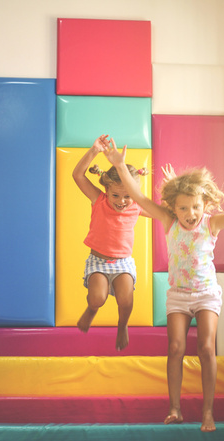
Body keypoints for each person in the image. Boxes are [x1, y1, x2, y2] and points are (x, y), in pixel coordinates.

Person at [106, 138, 224, 432]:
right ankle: (175, 409)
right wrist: (120, 166)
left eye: (195, 207)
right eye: (183, 208)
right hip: (178, 296)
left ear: (204, 205)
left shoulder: (211, 224)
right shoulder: (169, 222)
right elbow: (140, 199)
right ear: (173, 209)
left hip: (206, 294)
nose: (190, 214)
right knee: (176, 348)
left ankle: (208, 413)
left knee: (206, 348)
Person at [72, 134, 150, 351]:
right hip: (98, 260)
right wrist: (94, 151)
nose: (122, 202)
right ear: (107, 190)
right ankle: (91, 310)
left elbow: (164, 213)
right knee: (97, 298)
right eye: (116, 195)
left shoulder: (137, 207)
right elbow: (77, 175)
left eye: (127, 196)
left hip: (123, 263)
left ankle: (122, 325)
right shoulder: (98, 200)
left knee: (126, 301)